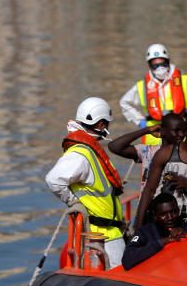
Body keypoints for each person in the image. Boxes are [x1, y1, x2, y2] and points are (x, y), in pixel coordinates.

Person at [45, 97, 127, 268]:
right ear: (101, 125)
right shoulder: (81, 154)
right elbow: (53, 180)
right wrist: (73, 201)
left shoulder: (88, 150)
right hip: (100, 236)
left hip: (108, 232)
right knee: (116, 281)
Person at [119, 43, 187, 164]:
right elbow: (124, 103)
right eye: (155, 65)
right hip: (154, 139)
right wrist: (140, 121)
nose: (159, 67)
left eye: (162, 63)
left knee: (182, 169)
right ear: (149, 65)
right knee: (152, 173)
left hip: (181, 137)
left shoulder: (184, 81)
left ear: (168, 61)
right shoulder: (142, 86)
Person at [131, 113, 187, 227]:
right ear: (163, 132)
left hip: (172, 216)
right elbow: (115, 146)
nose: (181, 134)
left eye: (183, 131)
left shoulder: (186, 157)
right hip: (152, 214)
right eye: (177, 131)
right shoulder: (148, 151)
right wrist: (146, 130)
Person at [122, 193, 187, 270]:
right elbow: (127, 260)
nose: (170, 217)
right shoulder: (145, 233)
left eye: (173, 212)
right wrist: (164, 242)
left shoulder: (186, 227)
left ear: (178, 211)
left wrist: (186, 236)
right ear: (155, 216)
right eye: (164, 214)